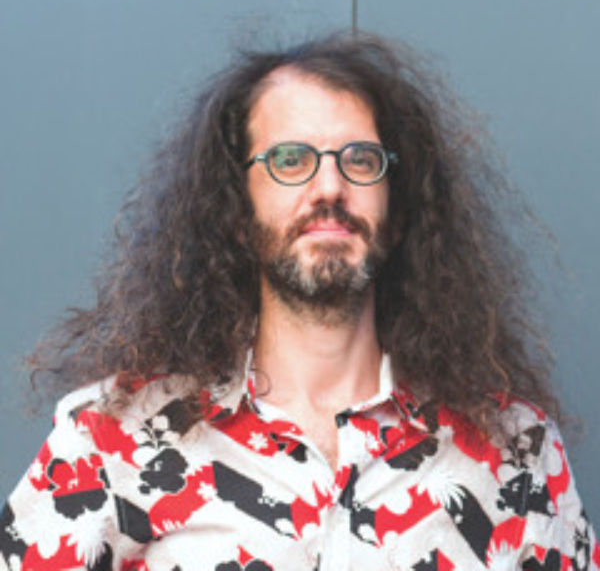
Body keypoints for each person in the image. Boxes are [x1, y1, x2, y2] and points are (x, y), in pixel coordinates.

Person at [1, 32, 597, 571]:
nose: (329, 187)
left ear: (398, 207)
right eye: (291, 160)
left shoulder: (517, 452)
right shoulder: (111, 438)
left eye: (360, 159)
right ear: (236, 209)